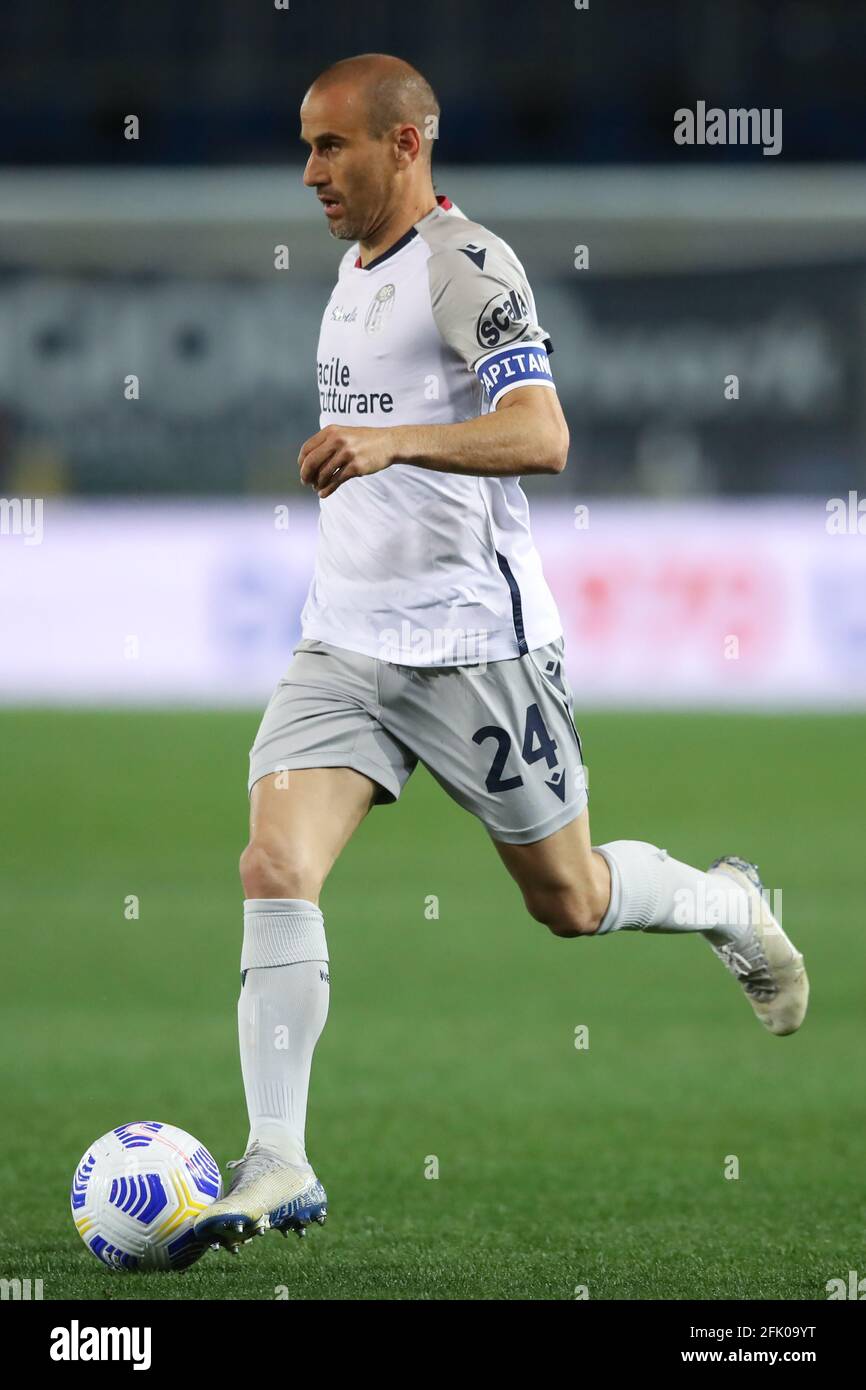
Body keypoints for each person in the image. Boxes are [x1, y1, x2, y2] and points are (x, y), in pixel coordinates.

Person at [196, 53, 808, 1253]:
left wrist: (389, 446)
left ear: (405, 146)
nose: (310, 172)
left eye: (332, 147)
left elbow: (543, 432)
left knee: (568, 902)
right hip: (344, 646)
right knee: (273, 866)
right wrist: (367, 460)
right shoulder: (352, 267)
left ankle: (727, 899)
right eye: (305, 148)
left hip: (476, 648)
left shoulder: (464, 266)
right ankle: (276, 1159)